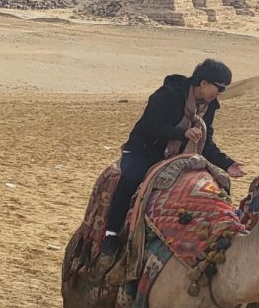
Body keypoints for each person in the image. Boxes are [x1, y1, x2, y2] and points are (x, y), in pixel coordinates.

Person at [98, 59, 246, 262]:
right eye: (219, 88)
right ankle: (111, 235)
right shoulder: (168, 94)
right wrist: (182, 133)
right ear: (203, 83)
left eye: (223, 90)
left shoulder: (208, 107)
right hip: (144, 150)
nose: (219, 94)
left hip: (179, 157)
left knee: (209, 186)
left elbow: (206, 140)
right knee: (130, 179)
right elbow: (150, 125)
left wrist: (228, 164)